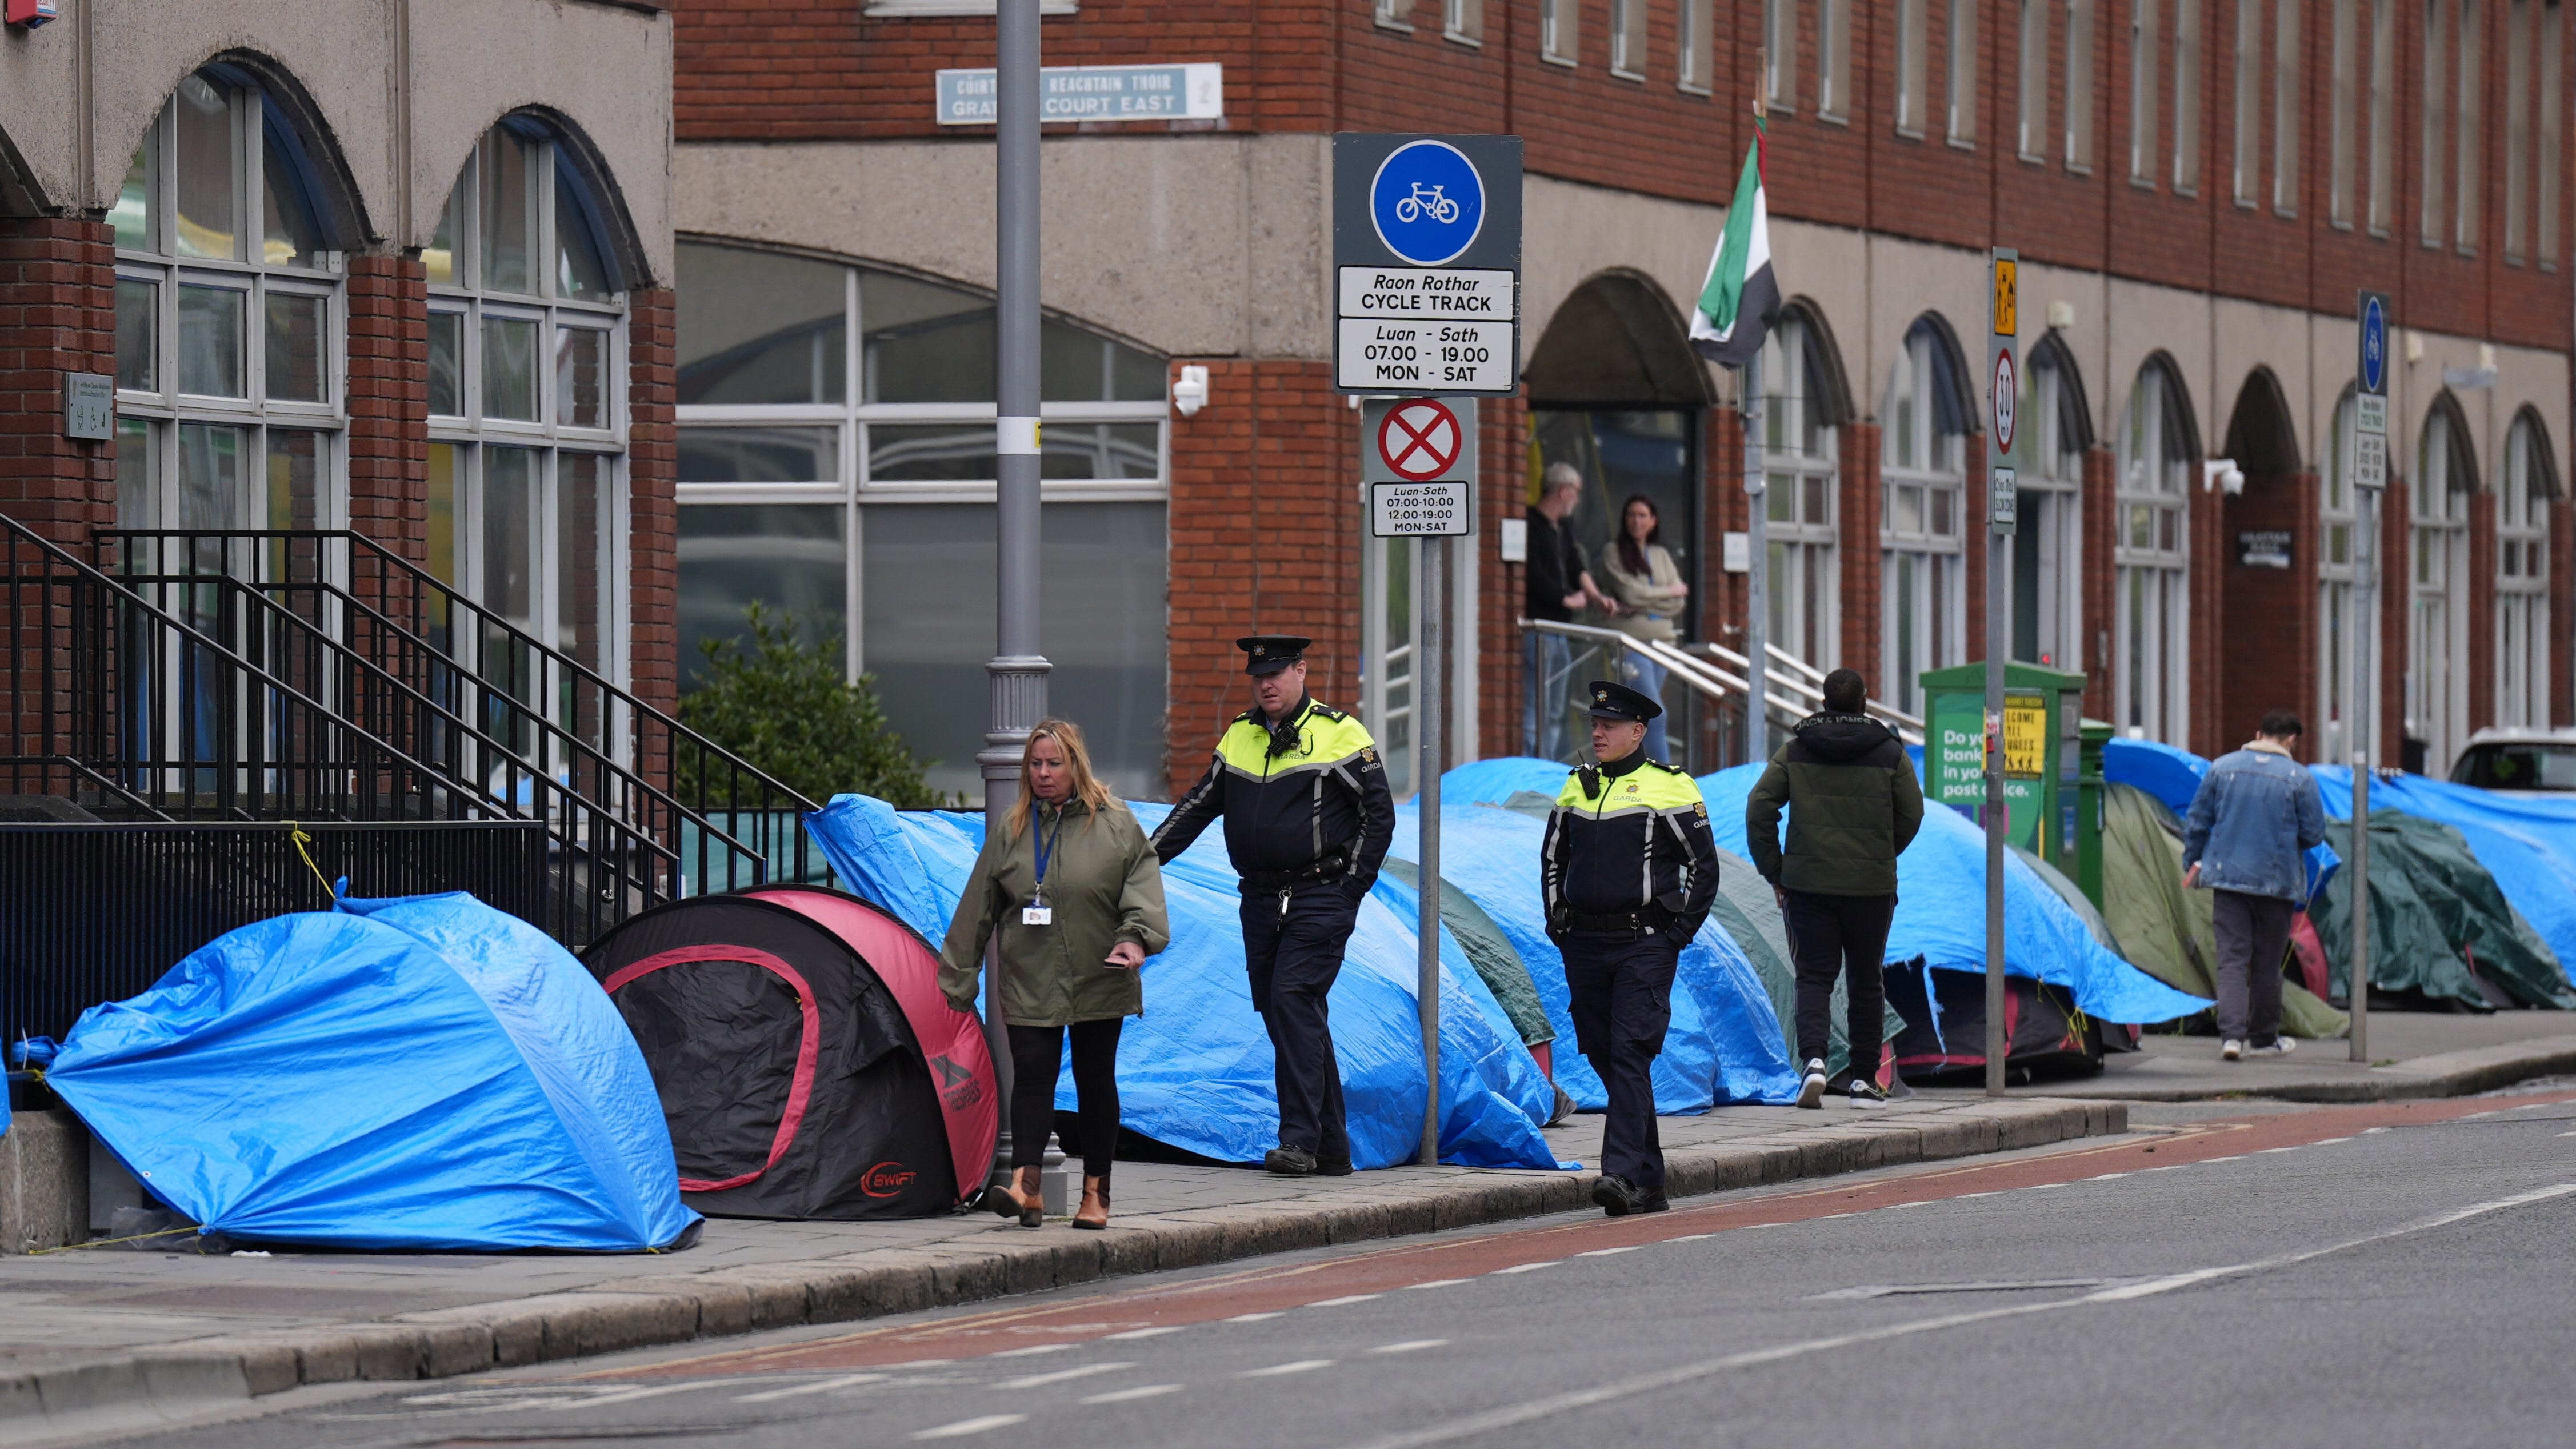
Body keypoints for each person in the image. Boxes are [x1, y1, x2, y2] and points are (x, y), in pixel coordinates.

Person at [1152, 634, 1394, 1176]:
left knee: (1292, 1000)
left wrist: (1349, 889)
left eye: (1278, 674)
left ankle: (1299, 1142)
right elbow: (1196, 806)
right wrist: (1142, 859)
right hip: (1259, 898)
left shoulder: (1340, 734)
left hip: (1319, 895)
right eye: (1259, 677)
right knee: (1288, 1014)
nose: (1267, 684)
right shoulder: (1240, 735)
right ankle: (1332, 1148)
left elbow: (1380, 817)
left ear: (1302, 671)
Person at [940, 718, 1169, 1230]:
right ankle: (1027, 1188)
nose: (1043, 773)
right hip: (1031, 974)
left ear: (1076, 765)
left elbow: (1143, 888)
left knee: (1094, 1081)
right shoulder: (1013, 828)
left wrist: (1134, 938)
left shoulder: (1115, 823)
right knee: (1033, 1078)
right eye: (1035, 764)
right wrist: (958, 978)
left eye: (1054, 763)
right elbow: (977, 905)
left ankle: (1096, 1195)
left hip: (1099, 972)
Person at [1541, 679, 1720, 1217]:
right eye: (1594, 725)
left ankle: (1618, 1174)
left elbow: (1703, 868)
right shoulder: (1576, 788)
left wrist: (1677, 935)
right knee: (1605, 1057)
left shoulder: (1671, 787)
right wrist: (1558, 923)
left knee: (1630, 1052)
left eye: (1609, 726)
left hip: (1645, 946)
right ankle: (1649, 1180)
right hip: (1585, 946)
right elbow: (1553, 860)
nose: (1597, 732)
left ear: (1638, 732)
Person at [1745, 667, 1923, 1110]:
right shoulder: (1891, 755)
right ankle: (1864, 1080)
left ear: (1824, 703)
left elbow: (1758, 807)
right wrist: (1880, 853)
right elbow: (1913, 814)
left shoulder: (1795, 751)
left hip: (1807, 887)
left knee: (1814, 978)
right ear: (1865, 702)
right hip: (1870, 889)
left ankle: (1815, 1063)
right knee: (1867, 980)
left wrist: (1776, 870)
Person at [2182, 709, 2327, 1062]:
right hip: (2276, 885)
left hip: (2228, 881)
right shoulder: (2300, 778)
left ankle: (2231, 1039)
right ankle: (2264, 1038)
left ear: (2258, 733)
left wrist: (2193, 861)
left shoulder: (2221, 768)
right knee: (2266, 963)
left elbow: (2198, 821)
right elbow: (2313, 835)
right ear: (2292, 739)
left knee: (2231, 960)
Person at [1525, 462, 1617, 759]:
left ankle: (1545, 762)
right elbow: (1533, 575)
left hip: (1561, 631)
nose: (1577, 500)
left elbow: (1577, 567)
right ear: (1564, 491)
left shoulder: (1561, 528)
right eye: (1575, 493)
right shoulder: (1531, 525)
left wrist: (1595, 597)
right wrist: (1567, 600)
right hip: (1541, 629)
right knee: (1535, 705)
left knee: (1554, 710)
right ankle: (1532, 762)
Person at [1594, 494, 1689, 763]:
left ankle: (1635, 768)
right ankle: (1664, 775)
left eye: (1643, 515)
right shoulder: (1613, 552)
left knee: (1637, 716)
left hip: (1663, 647)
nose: (1637, 521)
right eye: (1631, 515)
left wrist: (1643, 602)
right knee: (1654, 713)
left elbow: (1678, 602)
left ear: (1653, 521)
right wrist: (1663, 593)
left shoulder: (1660, 555)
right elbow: (1629, 593)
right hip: (1631, 647)